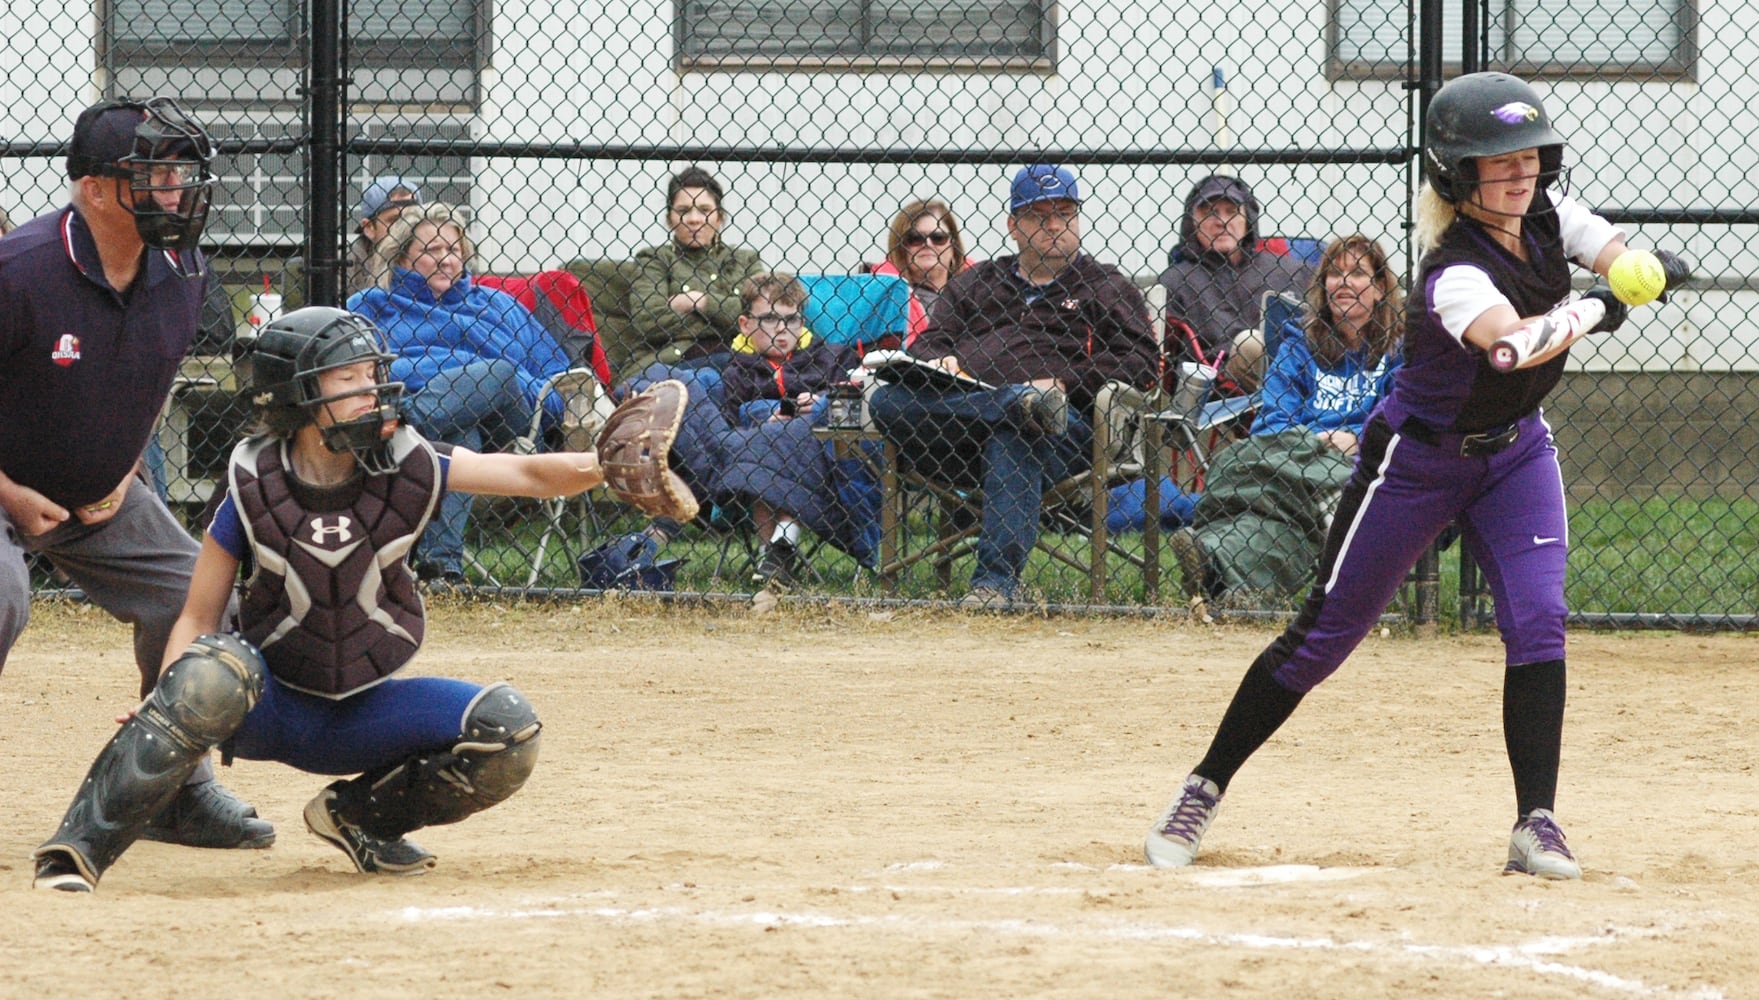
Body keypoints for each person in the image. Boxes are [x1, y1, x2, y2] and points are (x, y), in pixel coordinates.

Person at [1143, 72, 1691, 879]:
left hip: (1515, 455)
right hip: (1417, 462)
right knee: (1321, 640)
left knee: (1538, 622)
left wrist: (1634, 264)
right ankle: (1202, 786)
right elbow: (1513, 345)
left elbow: (1604, 246)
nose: (1520, 172)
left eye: (1530, 156)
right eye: (1497, 161)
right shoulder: (1451, 273)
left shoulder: (1545, 214)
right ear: (1454, 176)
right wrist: (1601, 307)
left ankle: (1534, 821)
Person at [30, 306, 613, 891]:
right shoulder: (254, 481)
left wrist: (605, 464)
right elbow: (198, 614)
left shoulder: (407, 460)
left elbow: (532, 475)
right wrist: (167, 700)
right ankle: (77, 849)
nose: (371, 390)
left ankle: (356, 817)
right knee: (208, 672)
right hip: (267, 708)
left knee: (508, 729)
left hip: (368, 713)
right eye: (348, 379)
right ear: (299, 393)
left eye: (371, 373)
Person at [0, 96, 272, 851]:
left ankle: (169, 791)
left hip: (100, 492)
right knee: (1, 595)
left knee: (195, 597)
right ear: (94, 191)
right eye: (153, 173)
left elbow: (149, 379)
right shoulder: (19, 271)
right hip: (3, 484)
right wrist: (14, 496)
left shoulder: (180, 268)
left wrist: (124, 469)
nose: (176, 189)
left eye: (180, 171)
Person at [869, 164, 1159, 609]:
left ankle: (994, 585)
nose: (1054, 224)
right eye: (1039, 215)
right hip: (958, 428)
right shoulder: (978, 280)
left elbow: (1141, 360)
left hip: (1062, 431)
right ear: (1013, 225)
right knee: (887, 399)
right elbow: (930, 340)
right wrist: (936, 360)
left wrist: (1065, 381)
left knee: (1019, 431)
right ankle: (1013, 403)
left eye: (1064, 212)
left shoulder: (1104, 284)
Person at [1169, 233, 1404, 605]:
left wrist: (1358, 438)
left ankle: (1227, 569)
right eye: (1334, 272)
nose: (1343, 282)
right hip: (1297, 456)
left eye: (1357, 273)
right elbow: (1272, 419)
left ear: (1379, 288)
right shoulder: (1299, 342)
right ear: (1322, 284)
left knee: (1282, 502)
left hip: (1363, 462)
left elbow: (1401, 418)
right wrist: (1314, 444)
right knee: (1241, 463)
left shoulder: (1399, 350)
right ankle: (1232, 577)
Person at [347, 201, 573, 586]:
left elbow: (562, 384)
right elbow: (361, 376)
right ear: (401, 257)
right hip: (452, 438)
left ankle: (410, 420)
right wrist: (459, 374)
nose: (446, 260)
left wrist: (497, 380)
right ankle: (441, 568)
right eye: (431, 251)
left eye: (453, 250)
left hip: (509, 430)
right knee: (459, 432)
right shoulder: (371, 306)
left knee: (498, 373)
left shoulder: (500, 307)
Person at [718, 272, 873, 586]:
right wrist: (766, 419)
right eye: (770, 319)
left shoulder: (830, 357)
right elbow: (729, 424)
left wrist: (818, 403)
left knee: (801, 432)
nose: (782, 329)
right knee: (761, 439)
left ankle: (780, 547)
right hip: (759, 455)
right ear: (745, 324)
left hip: (820, 454)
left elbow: (851, 400)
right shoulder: (735, 371)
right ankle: (774, 550)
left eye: (792, 319)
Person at [1158, 174, 1313, 392]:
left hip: (1293, 368)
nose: (1221, 221)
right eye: (1210, 212)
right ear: (1193, 222)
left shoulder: (1288, 270)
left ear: (1248, 219)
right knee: (1250, 343)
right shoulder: (1175, 280)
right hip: (1217, 387)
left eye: (1232, 212)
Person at [628, 166, 767, 373]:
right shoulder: (654, 259)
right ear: (669, 219)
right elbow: (647, 321)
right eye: (683, 211)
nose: (694, 219)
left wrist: (699, 302)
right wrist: (727, 319)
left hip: (738, 363)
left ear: (719, 218)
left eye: (704, 210)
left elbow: (763, 318)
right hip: (673, 364)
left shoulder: (745, 260)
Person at [870, 199, 972, 347]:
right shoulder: (887, 296)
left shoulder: (976, 289)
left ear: (953, 245)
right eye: (915, 239)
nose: (927, 244)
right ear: (900, 247)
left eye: (938, 238)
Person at [347, 175, 422, 294]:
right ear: (369, 228)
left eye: (412, 218)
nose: (406, 226)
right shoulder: (347, 265)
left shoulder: (433, 258)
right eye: (395, 220)